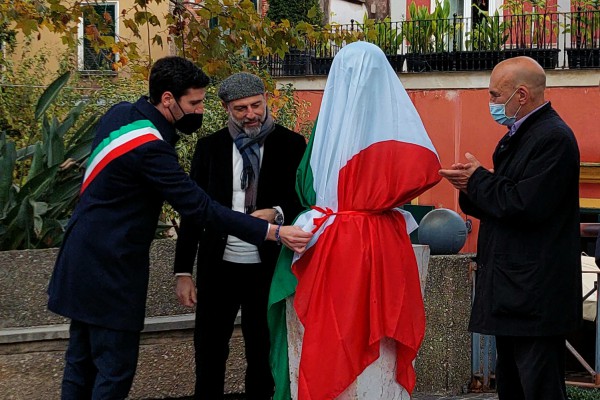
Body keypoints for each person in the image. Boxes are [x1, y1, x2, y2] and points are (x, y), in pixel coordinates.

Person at [47, 57, 312, 400]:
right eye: (195, 103)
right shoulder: (153, 149)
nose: (199, 110)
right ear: (169, 99)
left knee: (79, 364)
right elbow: (200, 209)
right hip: (111, 270)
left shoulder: (120, 115)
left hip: (79, 259)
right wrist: (273, 232)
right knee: (114, 371)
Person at [268, 42, 442, 400]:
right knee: (382, 354)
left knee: (322, 337)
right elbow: (424, 170)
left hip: (326, 239)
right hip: (383, 240)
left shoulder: (326, 124)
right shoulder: (399, 124)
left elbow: (306, 184)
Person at [439, 56, 581, 400]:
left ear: (521, 95)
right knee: (513, 387)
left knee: (539, 388)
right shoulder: (518, 136)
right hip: (513, 292)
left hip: (534, 296)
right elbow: (500, 201)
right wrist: (470, 186)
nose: (491, 103)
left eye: (494, 95)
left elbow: (523, 204)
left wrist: (480, 180)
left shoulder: (553, 138)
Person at [173, 72, 307, 399]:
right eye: (240, 109)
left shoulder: (291, 144)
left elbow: (302, 200)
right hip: (218, 267)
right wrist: (182, 271)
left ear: (266, 100)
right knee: (209, 350)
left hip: (267, 267)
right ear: (225, 108)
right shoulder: (209, 148)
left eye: (256, 105)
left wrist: (276, 212)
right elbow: (192, 212)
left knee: (261, 351)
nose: (251, 115)